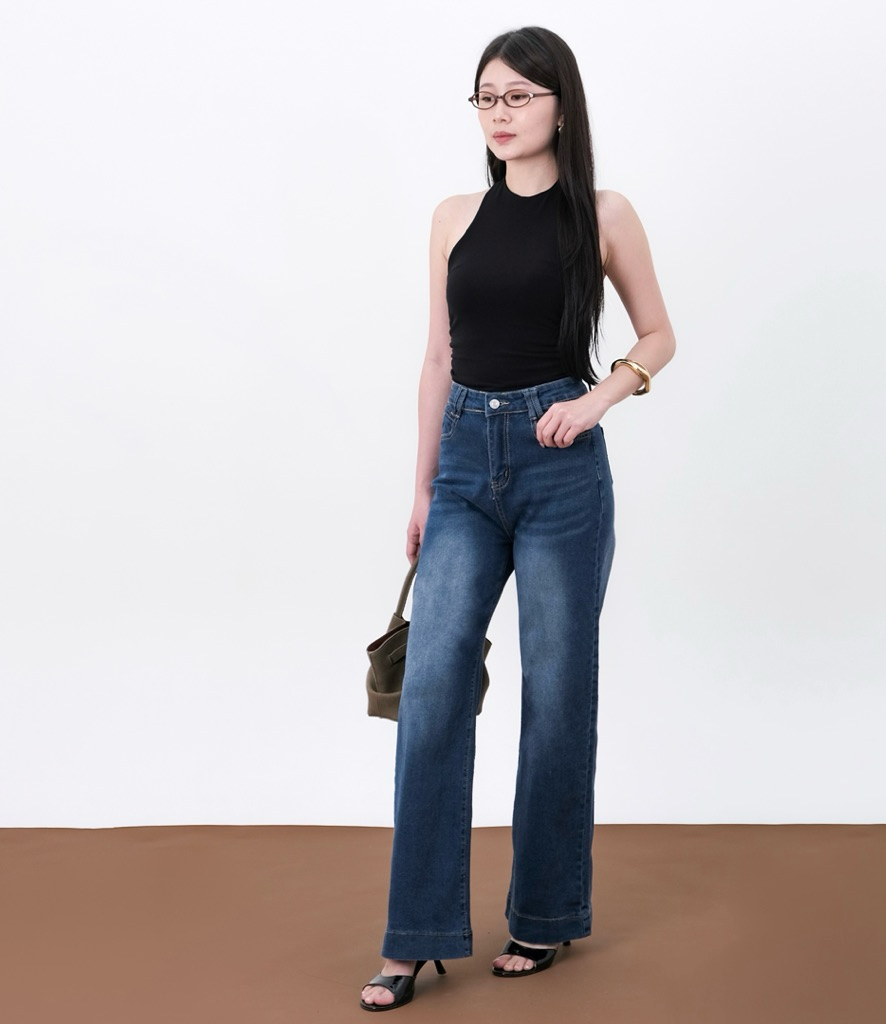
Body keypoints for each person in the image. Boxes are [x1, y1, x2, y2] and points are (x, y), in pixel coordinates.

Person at [360, 25, 676, 1012]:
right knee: (432, 691)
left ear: (560, 107)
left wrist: (598, 399)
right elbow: (436, 357)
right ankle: (414, 935)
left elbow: (660, 334)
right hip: (463, 465)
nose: (499, 113)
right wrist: (422, 488)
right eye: (485, 97)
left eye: (518, 96)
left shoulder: (604, 213)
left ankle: (543, 913)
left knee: (557, 693)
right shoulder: (453, 217)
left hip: (560, 470)